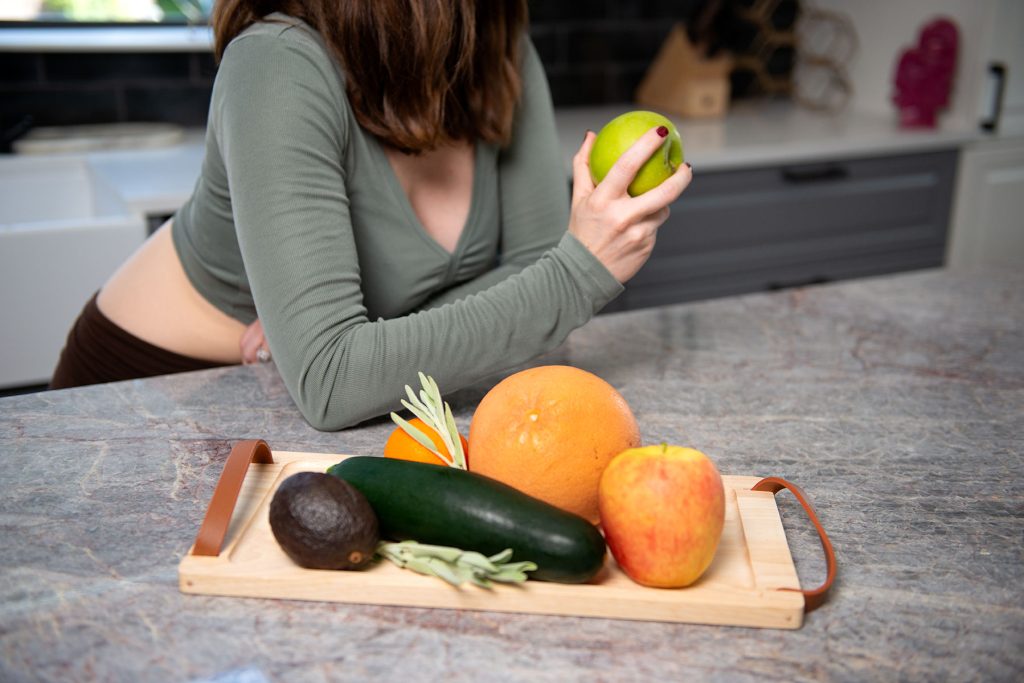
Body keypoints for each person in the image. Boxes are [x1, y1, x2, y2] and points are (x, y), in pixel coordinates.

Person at [49, 0, 692, 430]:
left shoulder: (497, 44)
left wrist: (364, 340)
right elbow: (332, 386)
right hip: (148, 395)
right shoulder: (275, 64)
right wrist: (576, 277)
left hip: (285, 399)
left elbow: (533, 271)